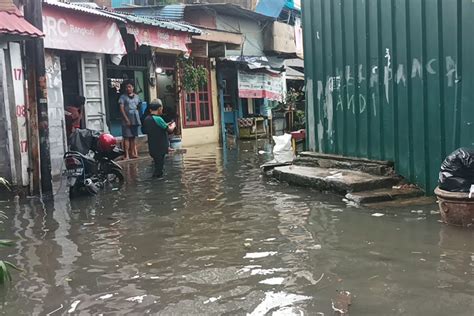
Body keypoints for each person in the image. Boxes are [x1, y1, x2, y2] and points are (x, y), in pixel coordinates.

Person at [143, 99, 176, 178]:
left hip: (153, 148)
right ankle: (157, 186)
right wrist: (173, 125)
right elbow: (169, 130)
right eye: (161, 108)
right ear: (159, 109)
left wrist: (166, 124)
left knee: (157, 167)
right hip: (160, 148)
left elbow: (157, 127)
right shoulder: (158, 119)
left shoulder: (147, 119)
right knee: (159, 170)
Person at [119, 81, 142, 160]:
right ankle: (126, 155)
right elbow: (121, 109)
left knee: (133, 137)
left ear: (133, 87)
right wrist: (126, 119)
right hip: (127, 118)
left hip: (135, 119)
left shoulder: (137, 97)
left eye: (129, 87)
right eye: (127, 87)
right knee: (126, 137)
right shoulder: (123, 97)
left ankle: (132, 153)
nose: (128, 88)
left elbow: (139, 106)